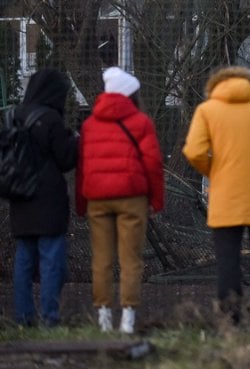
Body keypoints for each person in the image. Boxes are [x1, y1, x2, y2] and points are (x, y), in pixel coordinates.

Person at [182, 66, 250, 337]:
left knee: (228, 261)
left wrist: (213, 169)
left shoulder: (207, 110)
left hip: (225, 197)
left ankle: (231, 321)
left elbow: (193, 150)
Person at [76, 67, 164, 334]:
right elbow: (152, 164)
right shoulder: (141, 122)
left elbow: (82, 167)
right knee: (130, 258)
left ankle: (103, 317)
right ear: (130, 94)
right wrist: (156, 200)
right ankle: (127, 318)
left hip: (98, 199)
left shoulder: (89, 125)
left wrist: (81, 203)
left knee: (101, 259)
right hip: (131, 198)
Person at [9, 69, 79, 327]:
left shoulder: (13, 116)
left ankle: (23, 317)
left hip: (20, 196)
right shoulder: (51, 119)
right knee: (51, 259)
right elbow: (65, 160)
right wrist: (74, 142)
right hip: (48, 201)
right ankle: (50, 316)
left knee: (24, 259)